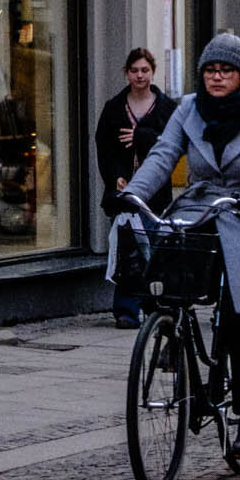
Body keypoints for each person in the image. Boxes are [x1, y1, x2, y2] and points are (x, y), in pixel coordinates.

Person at [123, 33, 240, 459]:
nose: (217, 78)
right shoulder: (189, 108)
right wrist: (132, 195)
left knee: (239, 317)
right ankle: (173, 344)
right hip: (199, 208)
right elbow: (162, 156)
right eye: (211, 70)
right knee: (169, 286)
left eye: (226, 71)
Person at [95, 48, 178, 327]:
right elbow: (103, 147)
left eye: (144, 70)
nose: (139, 76)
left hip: (156, 192)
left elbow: (173, 145)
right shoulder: (114, 107)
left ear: (153, 72)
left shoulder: (166, 107)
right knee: (128, 249)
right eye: (134, 71)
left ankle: (153, 304)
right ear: (126, 73)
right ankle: (127, 310)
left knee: (155, 249)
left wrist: (142, 136)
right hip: (126, 190)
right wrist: (115, 177)